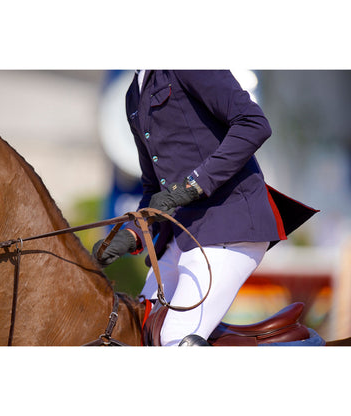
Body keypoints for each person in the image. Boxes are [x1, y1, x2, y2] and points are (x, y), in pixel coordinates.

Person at [92, 70, 317, 346]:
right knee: (135, 330)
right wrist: (131, 235)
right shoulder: (133, 95)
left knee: (174, 339)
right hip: (179, 237)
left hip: (227, 226)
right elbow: (153, 188)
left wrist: (192, 186)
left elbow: (254, 123)